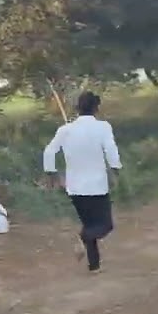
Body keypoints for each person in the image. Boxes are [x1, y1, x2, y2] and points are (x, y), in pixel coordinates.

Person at [42, 91, 123, 274]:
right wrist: (115, 169)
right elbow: (111, 149)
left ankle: (94, 266)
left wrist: (52, 173)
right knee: (104, 225)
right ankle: (82, 238)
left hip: (75, 187)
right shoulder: (103, 127)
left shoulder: (66, 130)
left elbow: (49, 152)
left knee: (90, 224)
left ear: (78, 108)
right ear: (96, 108)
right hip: (97, 186)